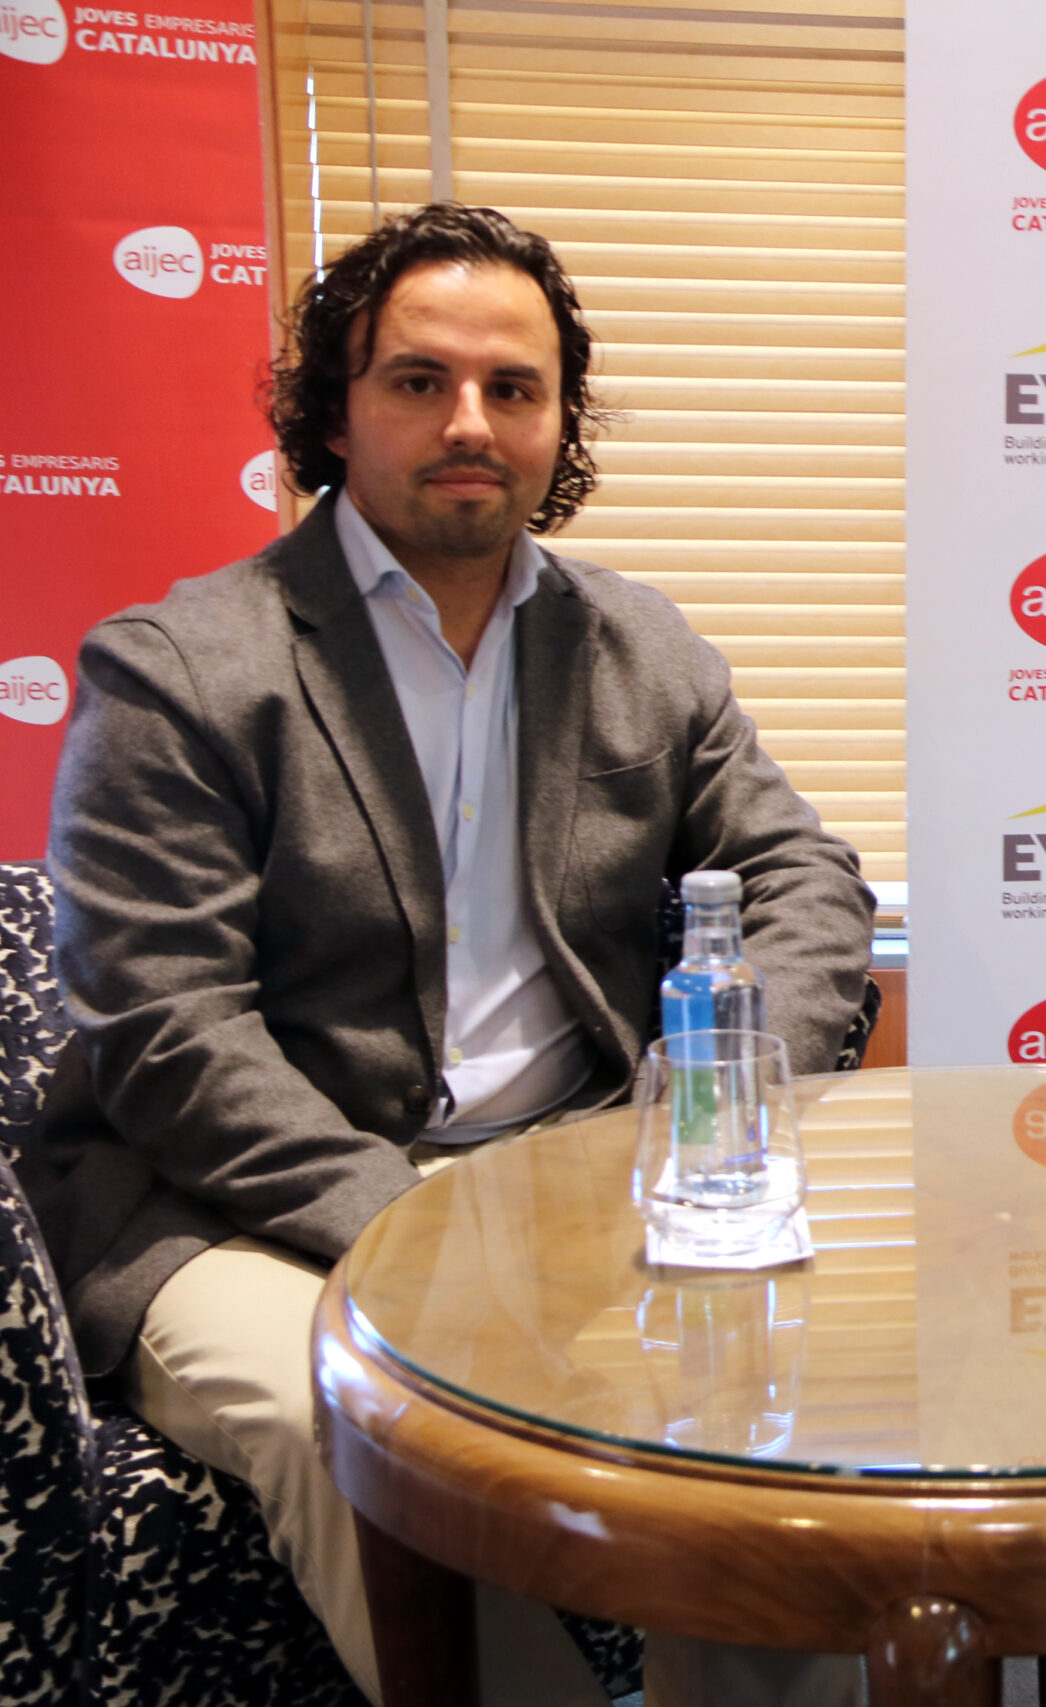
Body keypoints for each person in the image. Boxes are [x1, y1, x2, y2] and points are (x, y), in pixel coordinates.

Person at [23, 203, 876, 1705]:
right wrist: (428, 1230)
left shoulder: (642, 648)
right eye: (419, 381)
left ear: (560, 424)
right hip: (241, 1215)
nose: (469, 422)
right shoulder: (180, 670)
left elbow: (802, 877)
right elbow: (166, 1033)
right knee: (359, 1423)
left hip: (576, 1173)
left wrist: (705, 1106)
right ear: (335, 414)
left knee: (785, 1404)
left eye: (513, 387)